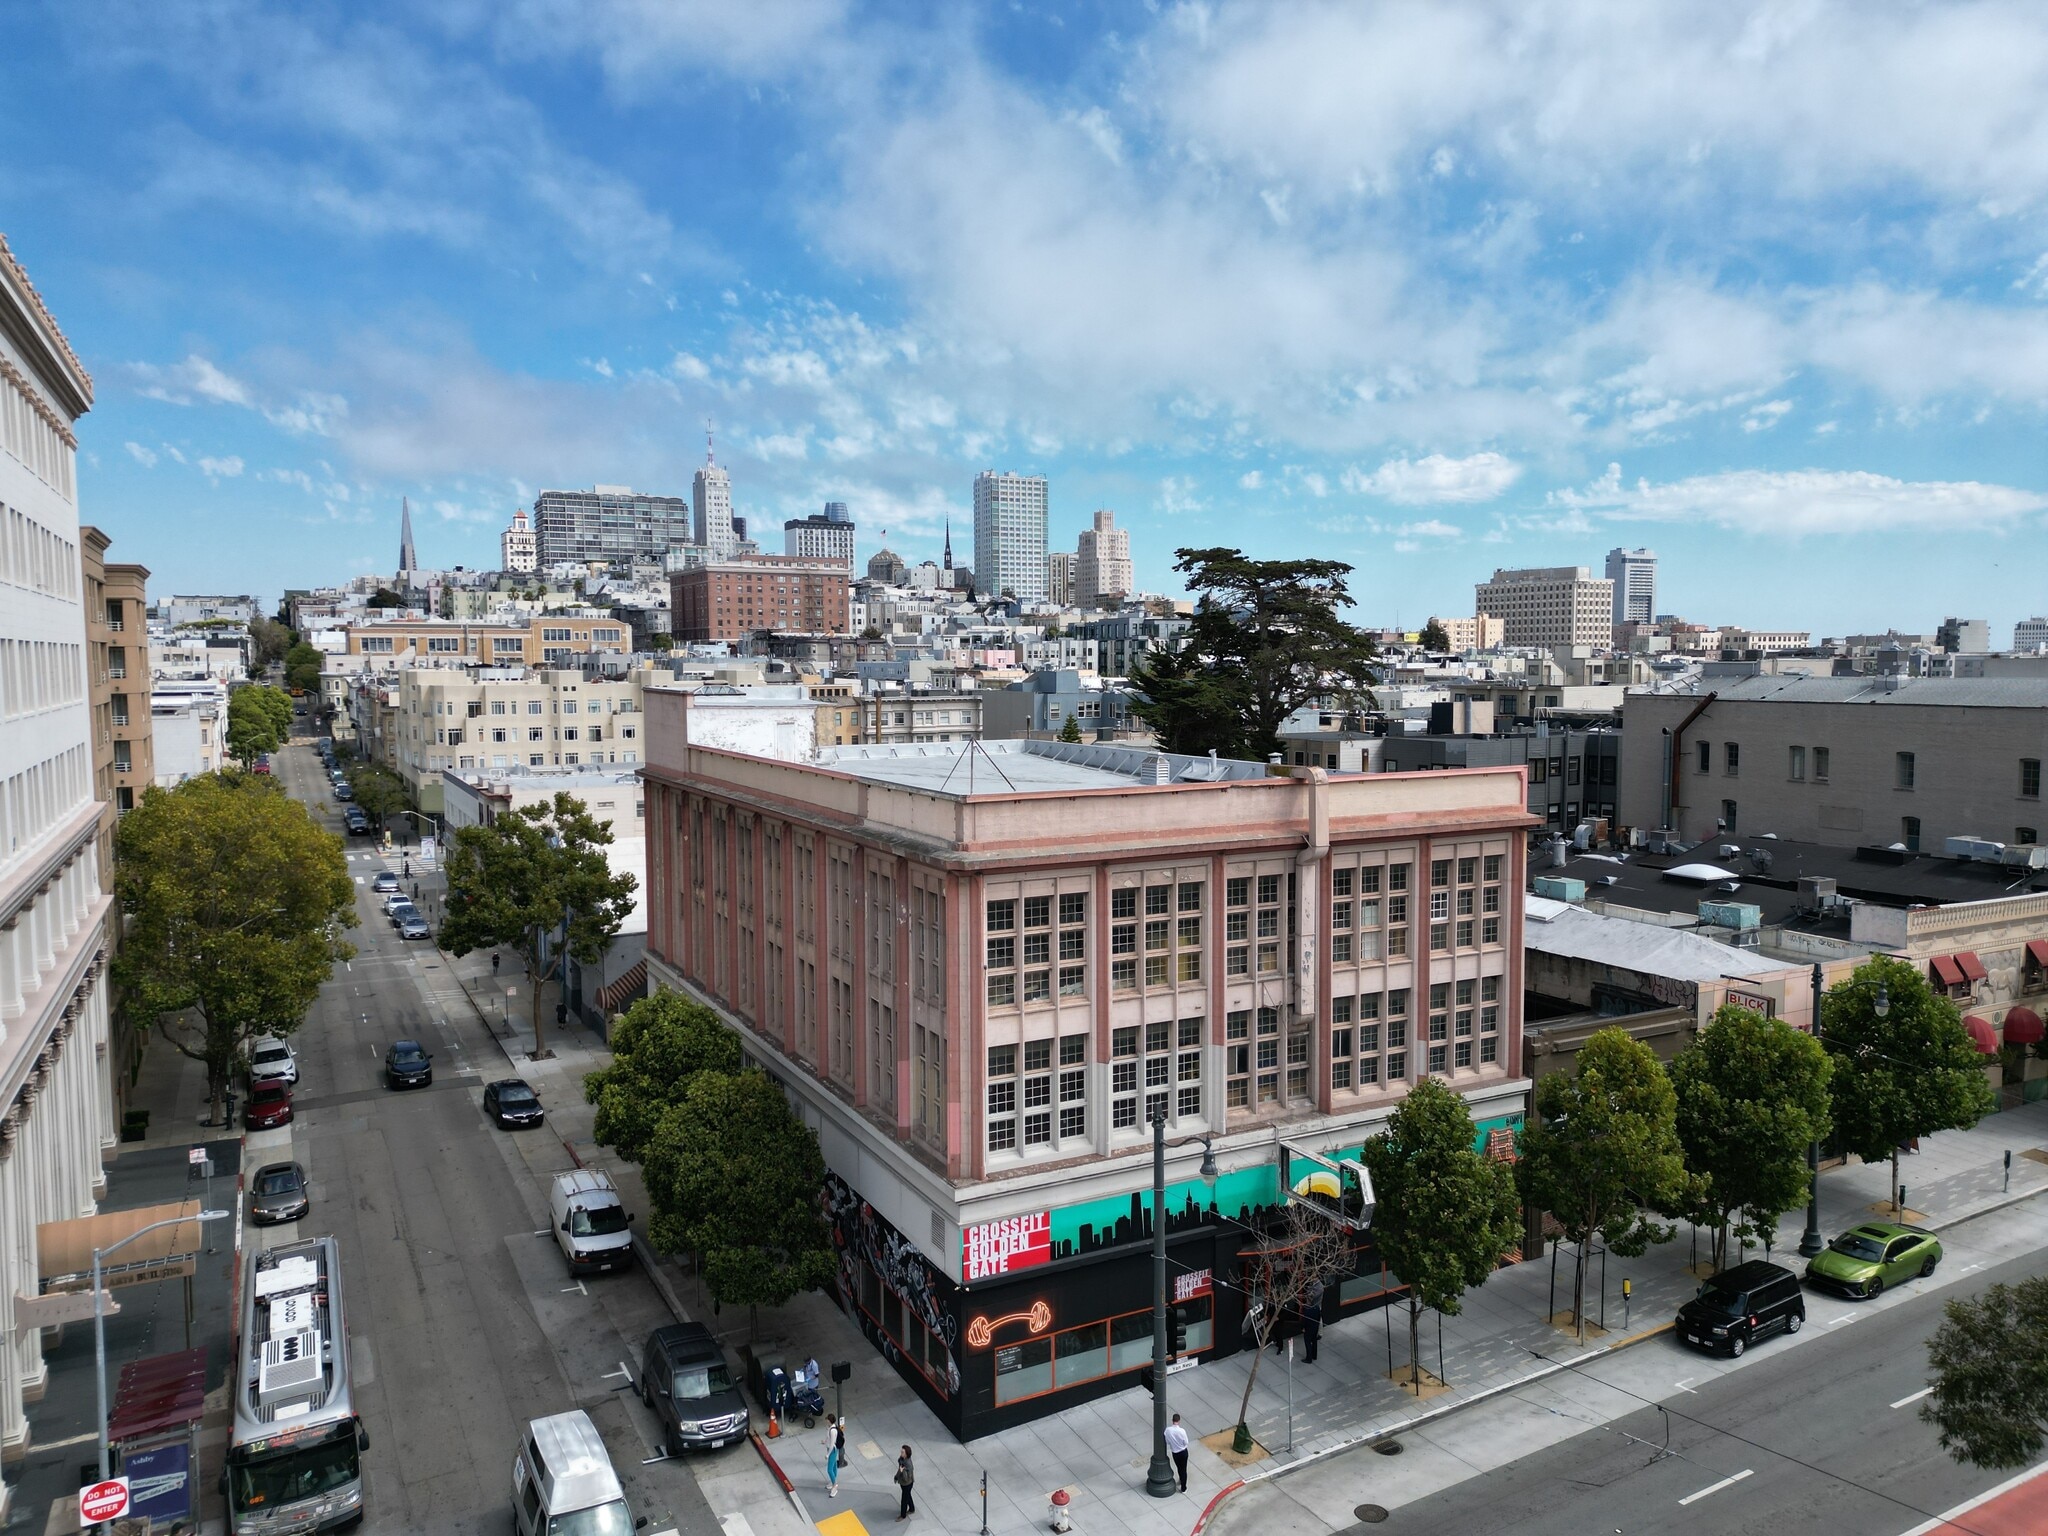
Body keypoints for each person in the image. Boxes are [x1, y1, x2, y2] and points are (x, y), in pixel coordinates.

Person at [1164, 1413, 1190, 1492]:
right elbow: (1186, 1442)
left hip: (1175, 1453)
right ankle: (1183, 1487)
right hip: (1183, 1452)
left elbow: (1167, 1441)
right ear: (1179, 1421)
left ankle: (1181, 1479)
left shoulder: (1168, 1430)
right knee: (1184, 1469)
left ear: (1172, 1420)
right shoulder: (1182, 1431)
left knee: (1179, 1468)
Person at [823, 1413, 845, 1498]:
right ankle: (833, 1482)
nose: (826, 1421)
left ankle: (835, 1485)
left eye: (827, 1420)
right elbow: (828, 1439)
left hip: (832, 1450)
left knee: (829, 1469)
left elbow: (832, 1444)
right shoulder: (831, 1428)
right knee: (834, 1466)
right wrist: (824, 1442)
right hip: (832, 1450)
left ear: (829, 1420)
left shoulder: (832, 1430)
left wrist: (828, 1455)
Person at [895, 1444, 915, 1520]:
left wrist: (902, 1471)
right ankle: (912, 1509)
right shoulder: (901, 1459)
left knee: (904, 1500)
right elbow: (900, 1468)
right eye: (901, 1451)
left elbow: (907, 1478)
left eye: (902, 1452)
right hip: (902, 1483)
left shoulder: (909, 1464)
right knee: (907, 1495)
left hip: (907, 1484)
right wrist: (897, 1476)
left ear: (907, 1454)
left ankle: (903, 1515)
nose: (901, 1453)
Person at [1303, 1296, 1323, 1365]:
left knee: (1307, 1343)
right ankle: (1314, 1356)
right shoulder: (1317, 1308)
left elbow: (1305, 1321)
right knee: (1314, 1341)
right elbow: (1319, 1317)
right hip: (1315, 1328)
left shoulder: (1307, 1310)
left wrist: (1304, 1328)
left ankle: (1309, 1358)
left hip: (1308, 1329)